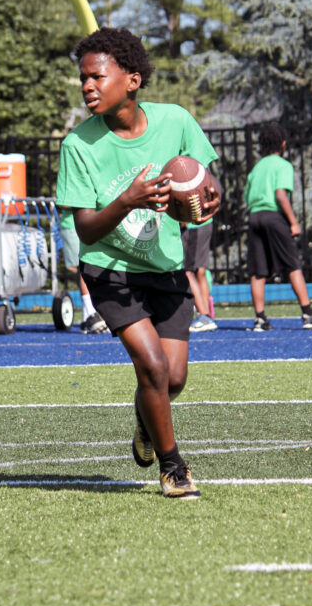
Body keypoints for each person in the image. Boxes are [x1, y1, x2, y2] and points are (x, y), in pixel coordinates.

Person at [56, 27, 219, 499]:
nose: (87, 86)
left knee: (173, 378)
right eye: (82, 78)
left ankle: (147, 424)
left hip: (165, 266)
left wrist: (209, 198)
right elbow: (86, 228)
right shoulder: (78, 146)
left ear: (131, 79)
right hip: (109, 270)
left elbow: (208, 183)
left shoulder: (176, 122)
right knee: (150, 367)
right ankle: (173, 467)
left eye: (97, 76)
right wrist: (128, 200)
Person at [244, 123, 312, 332]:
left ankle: (260, 319)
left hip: (255, 216)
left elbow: (247, 197)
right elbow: (280, 194)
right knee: (292, 265)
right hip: (274, 216)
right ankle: (308, 313)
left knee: (258, 271)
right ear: (282, 144)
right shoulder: (283, 165)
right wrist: (293, 222)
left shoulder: (256, 168)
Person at [57, 207, 110, 333]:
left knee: (87, 269)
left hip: (88, 226)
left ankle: (87, 318)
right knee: (84, 269)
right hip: (73, 227)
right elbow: (63, 203)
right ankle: (91, 315)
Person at [182, 221, 217, 332]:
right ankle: (206, 315)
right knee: (201, 270)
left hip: (194, 226)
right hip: (205, 224)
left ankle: (203, 316)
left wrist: (182, 219)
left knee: (188, 272)